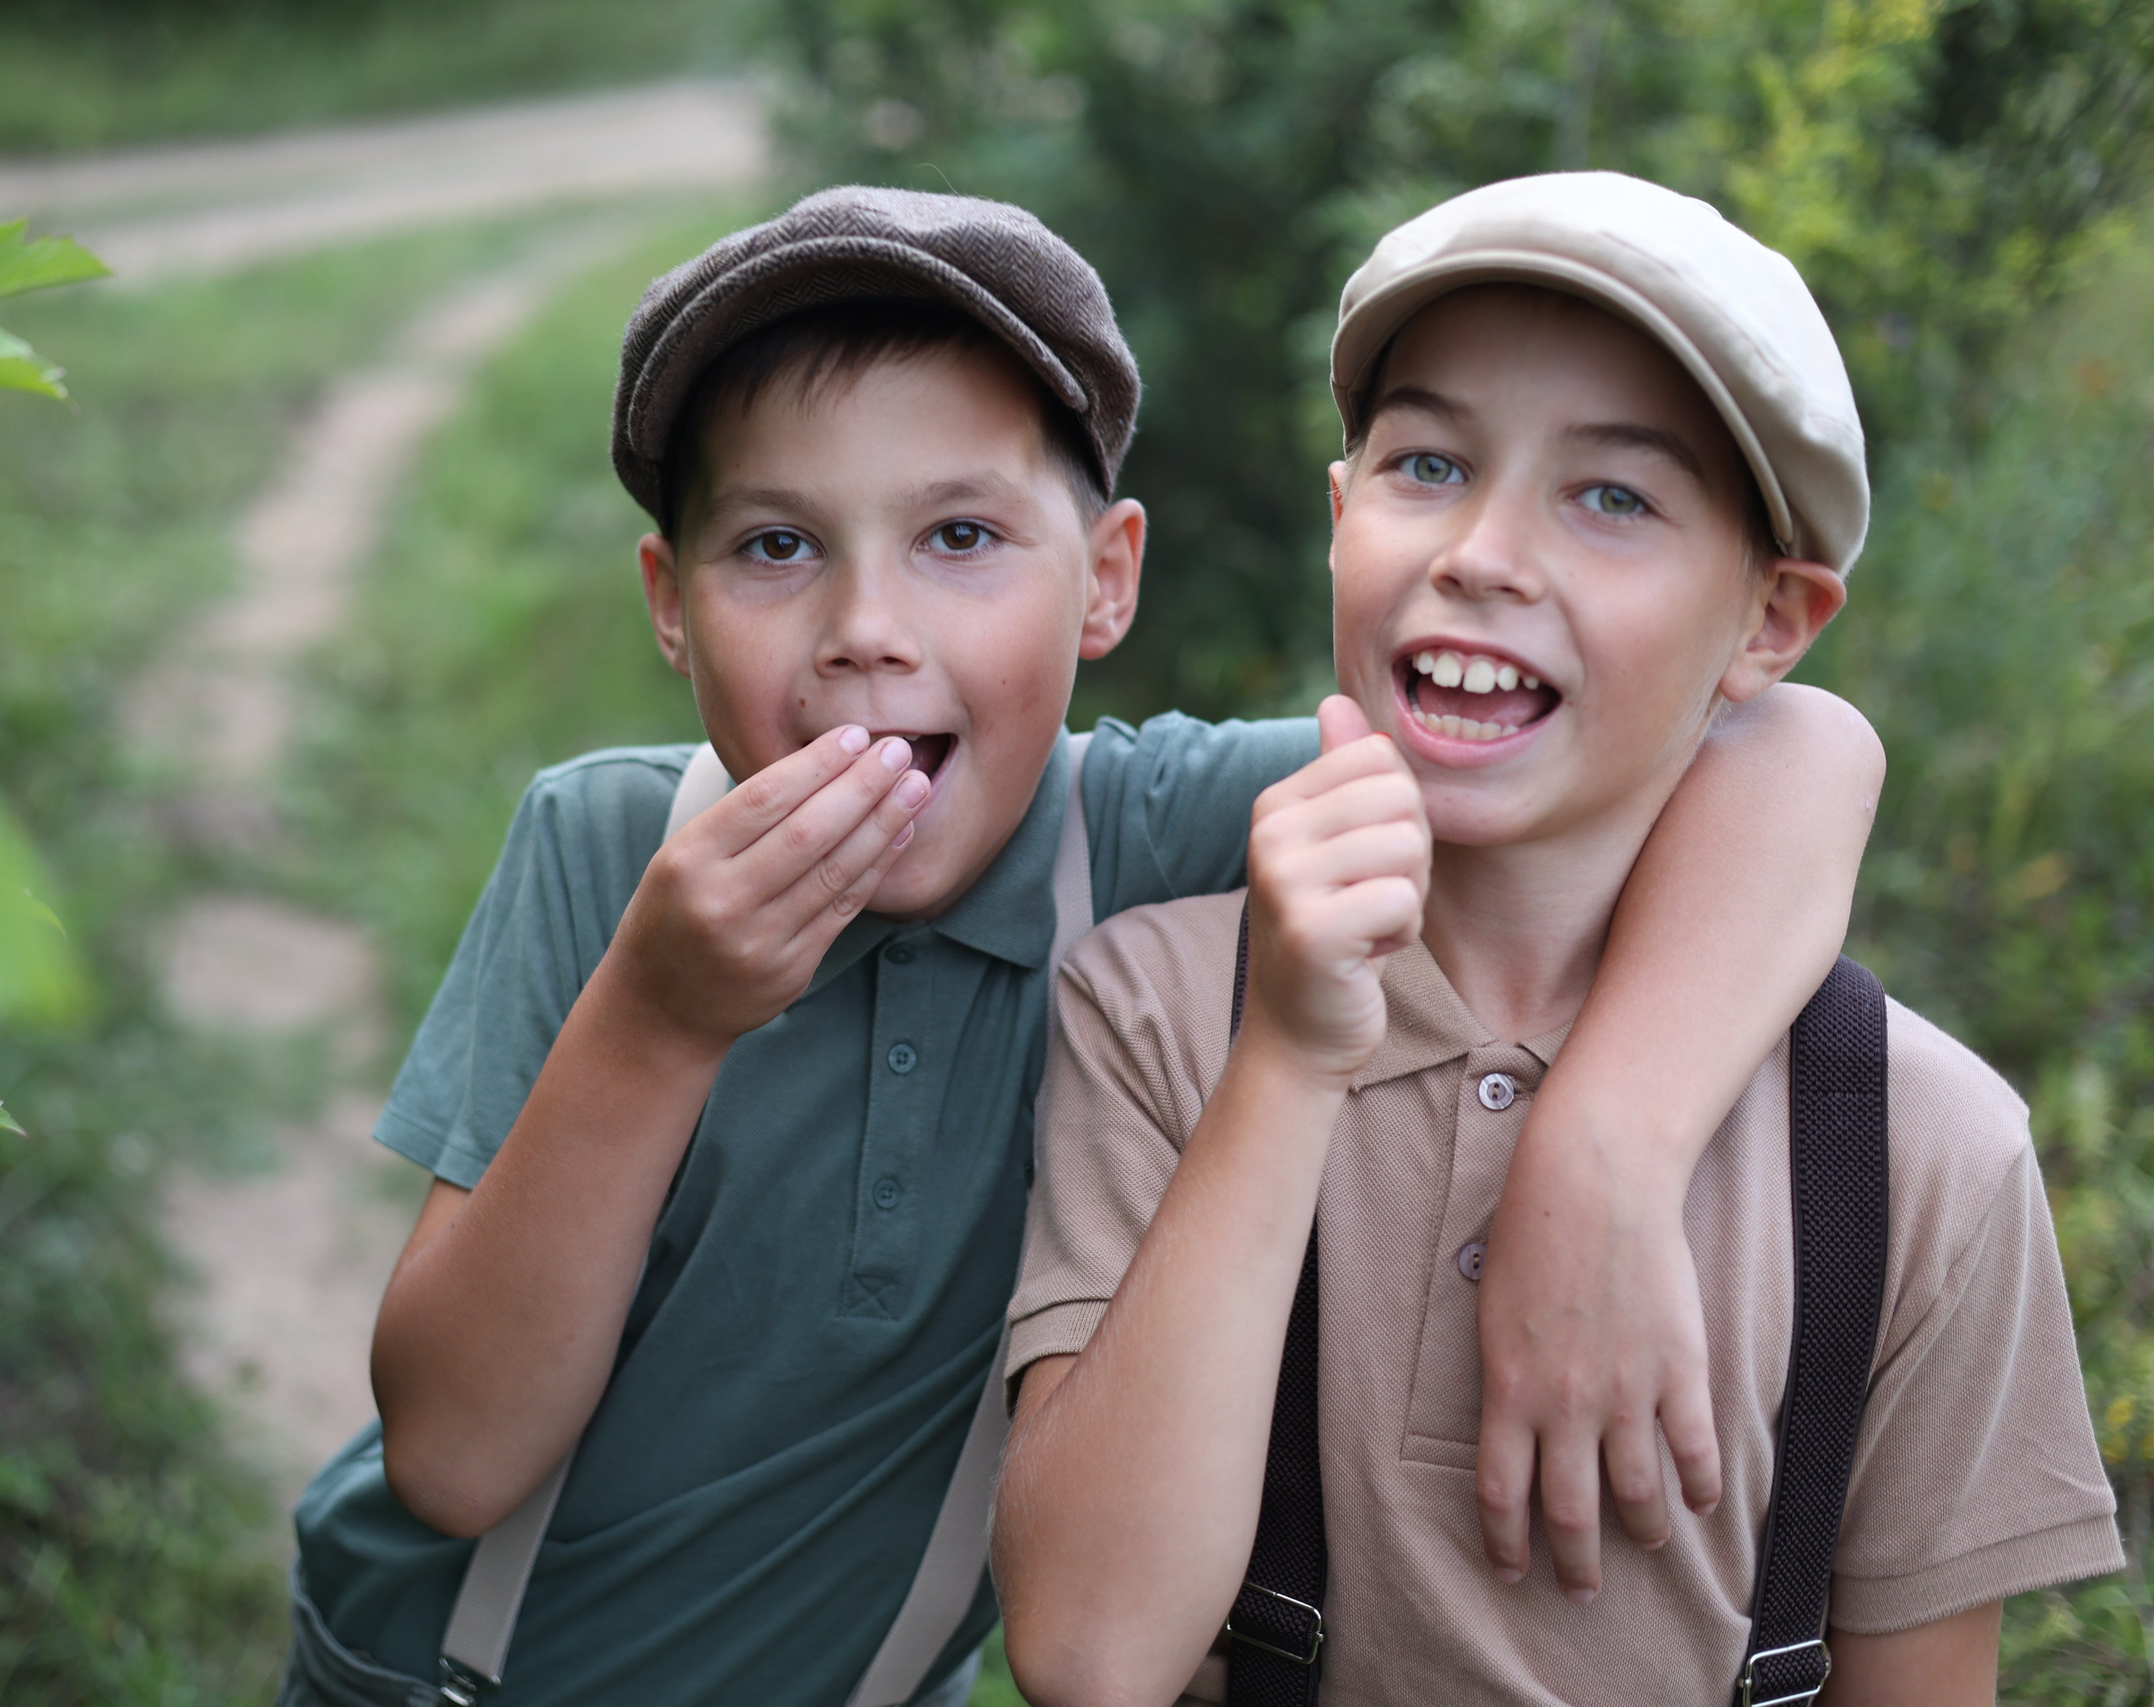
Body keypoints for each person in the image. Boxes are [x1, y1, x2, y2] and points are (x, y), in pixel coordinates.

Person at [280, 186, 1888, 1707]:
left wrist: (1605, 1148)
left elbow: (1794, 750)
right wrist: (658, 1013)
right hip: (436, 1677)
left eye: (961, 538)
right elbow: (452, 1453)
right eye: (776, 545)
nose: (866, 626)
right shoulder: (609, 854)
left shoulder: (1145, 843)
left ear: (1107, 579)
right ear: (670, 601)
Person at [992, 171, 2123, 1707]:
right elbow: (1088, 1652)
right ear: (1341, 520)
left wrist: (1606, 1146)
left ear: (1771, 624)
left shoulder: (1916, 1153)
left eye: (1614, 497)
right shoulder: (1167, 1012)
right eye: (1430, 463)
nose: (1483, 553)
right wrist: (1289, 1062)